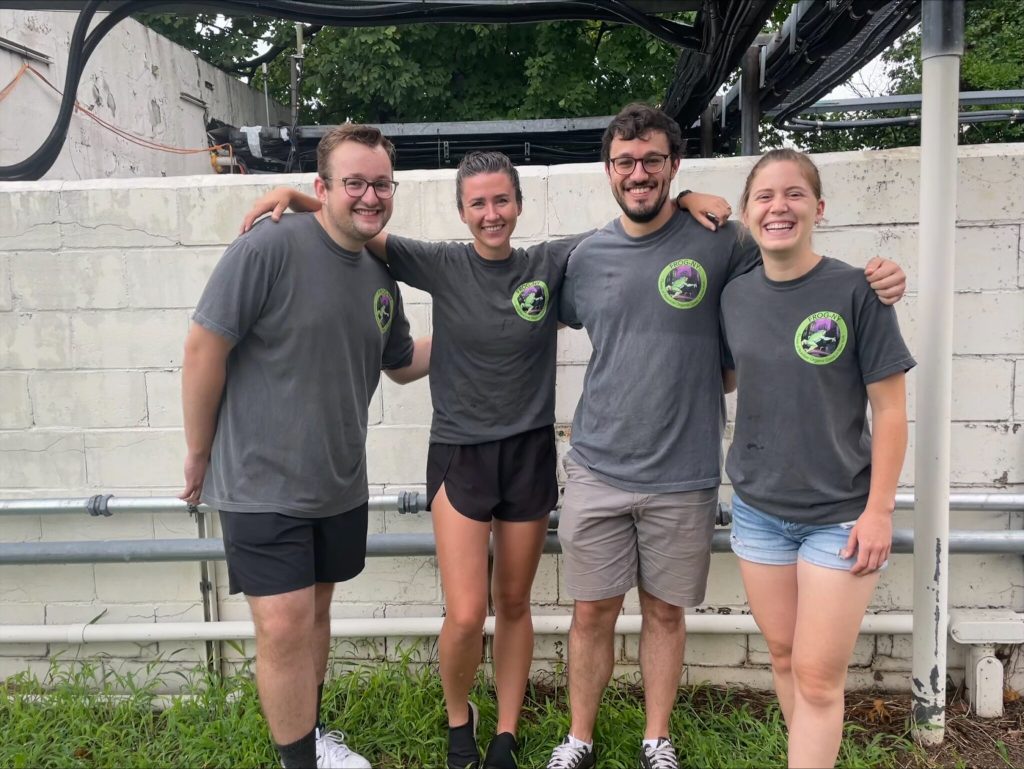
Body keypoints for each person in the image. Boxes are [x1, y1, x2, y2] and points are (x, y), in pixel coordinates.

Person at [239, 152, 730, 769]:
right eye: (478, 203)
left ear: (518, 205)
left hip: (527, 455)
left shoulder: (549, 264)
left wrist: (685, 200)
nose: (491, 213)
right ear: (462, 211)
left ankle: (507, 730)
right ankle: (458, 720)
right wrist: (300, 194)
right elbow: (362, 223)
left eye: (502, 201)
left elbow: (633, 223)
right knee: (468, 612)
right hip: (461, 457)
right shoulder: (440, 264)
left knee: (516, 604)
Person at [547, 104, 906, 769]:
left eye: (654, 160)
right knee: (592, 612)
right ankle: (579, 738)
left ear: (675, 164)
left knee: (665, 613)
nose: (639, 172)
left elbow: (789, 260)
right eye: (625, 161)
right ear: (607, 169)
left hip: (686, 471)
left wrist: (880, 277)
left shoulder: (724, 243)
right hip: (598, 466)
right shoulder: (586, 256)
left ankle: (658, 738)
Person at [180, 123, 430, 769]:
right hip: (262, 479)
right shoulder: (269, 246)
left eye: (381, 183)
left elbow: (399, 362)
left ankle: (311, 735)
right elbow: (204, 347)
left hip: (337, 480)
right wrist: (198, 451)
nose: (369, 195)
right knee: (284, 624)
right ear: (323, 187)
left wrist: (483, 329)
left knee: (316, 613)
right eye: (354, 183)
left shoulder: (379, 268)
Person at [720, 149, 913, 768]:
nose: (779, 207)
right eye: (765, 197)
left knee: (820, 677)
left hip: (840, 517)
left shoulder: (858, 290)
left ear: (819, 208)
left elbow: (889, 411)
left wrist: (879, 511)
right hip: (758, 512)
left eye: (794, 194)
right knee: (783, 659)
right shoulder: (733, 297)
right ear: (748, 215)